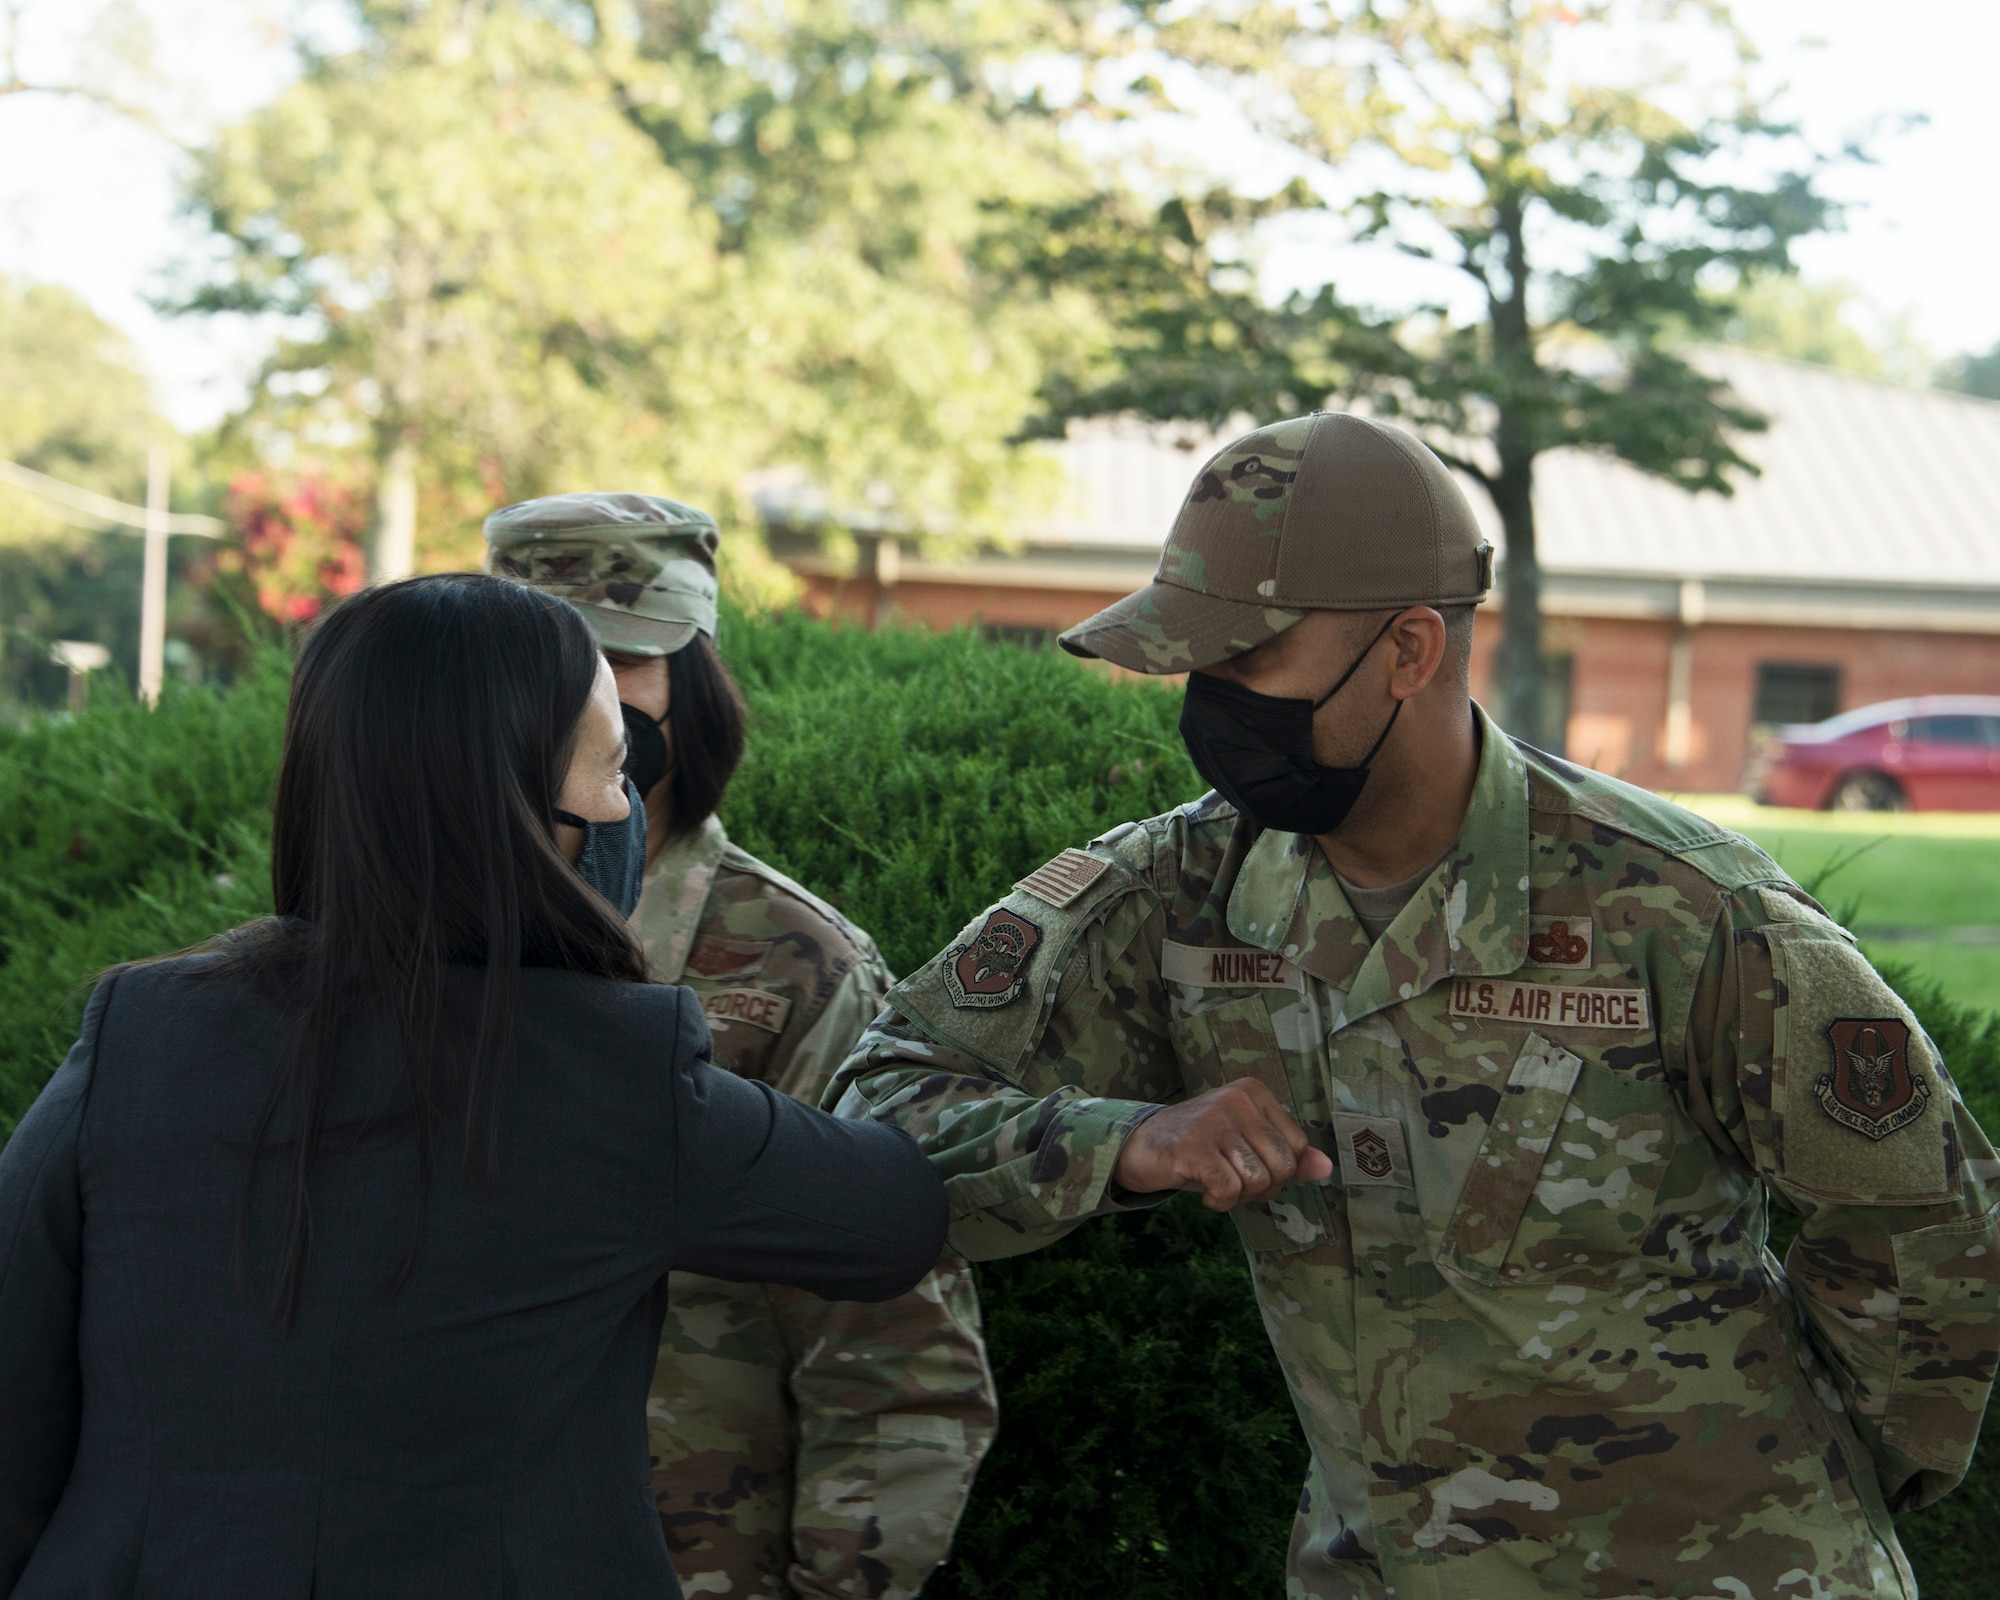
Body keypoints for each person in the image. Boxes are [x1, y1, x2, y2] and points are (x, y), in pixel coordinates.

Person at [828, 412, 2000, 1599]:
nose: (1210, 703)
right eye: (1197, 665)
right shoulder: (1174, 895)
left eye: (1247, 661)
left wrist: (1808, 1487)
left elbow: (1929, 1222)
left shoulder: (1682, 908)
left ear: (1408, 649)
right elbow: (881, 1109)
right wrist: (1121, 1141)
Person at [0, 574, 947, 1600]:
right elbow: (891, 1217)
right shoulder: (620, 1069)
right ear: (523, 813)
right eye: (615, 771)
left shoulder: (143, 1028)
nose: (624, 807)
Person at [485, 494, 996, 1600]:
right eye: (542, 656)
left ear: (693, 679)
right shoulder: (404, 938)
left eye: (623, 655)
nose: (584, 694)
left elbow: (892, 1346)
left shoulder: (791, 967)